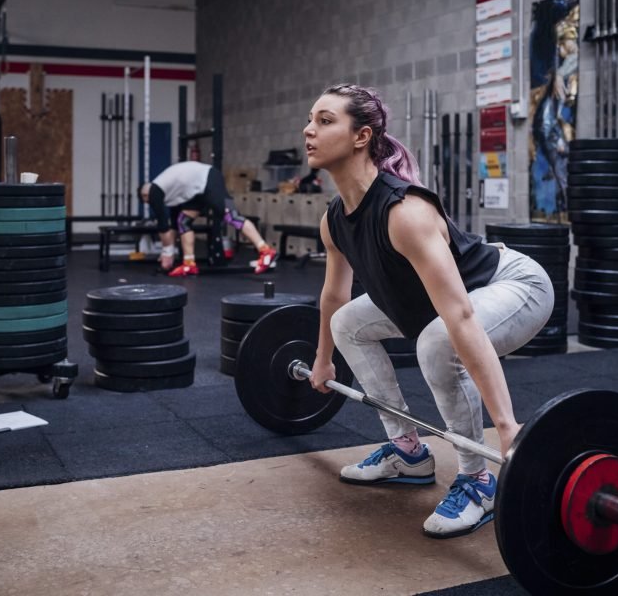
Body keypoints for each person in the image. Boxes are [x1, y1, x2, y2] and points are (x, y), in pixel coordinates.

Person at [303, 84, 554, 539]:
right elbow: (334, 298)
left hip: (515, 285)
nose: (309, 130)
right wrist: (324, 359)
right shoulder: (334, 219)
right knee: (348, 325)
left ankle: (478, 480)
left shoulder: (405, 212)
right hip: (447, 305)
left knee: (438, 341)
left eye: (324, 121)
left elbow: (459, 317)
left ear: (361, 136)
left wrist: (507, 425)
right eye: (310, 120)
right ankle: (408, 451)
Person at [139, 161, 277, 276]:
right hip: (195, 189)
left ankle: (265, 251)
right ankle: (189, 263)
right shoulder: (165, 189)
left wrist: (167, 253)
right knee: (183, 221)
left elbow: (163, 228)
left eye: (147, 202)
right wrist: (168, 251)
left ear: (145, 196)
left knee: (231, 216)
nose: (150, 204)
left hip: (209, 178)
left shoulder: (154, 192)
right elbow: (173, 227)